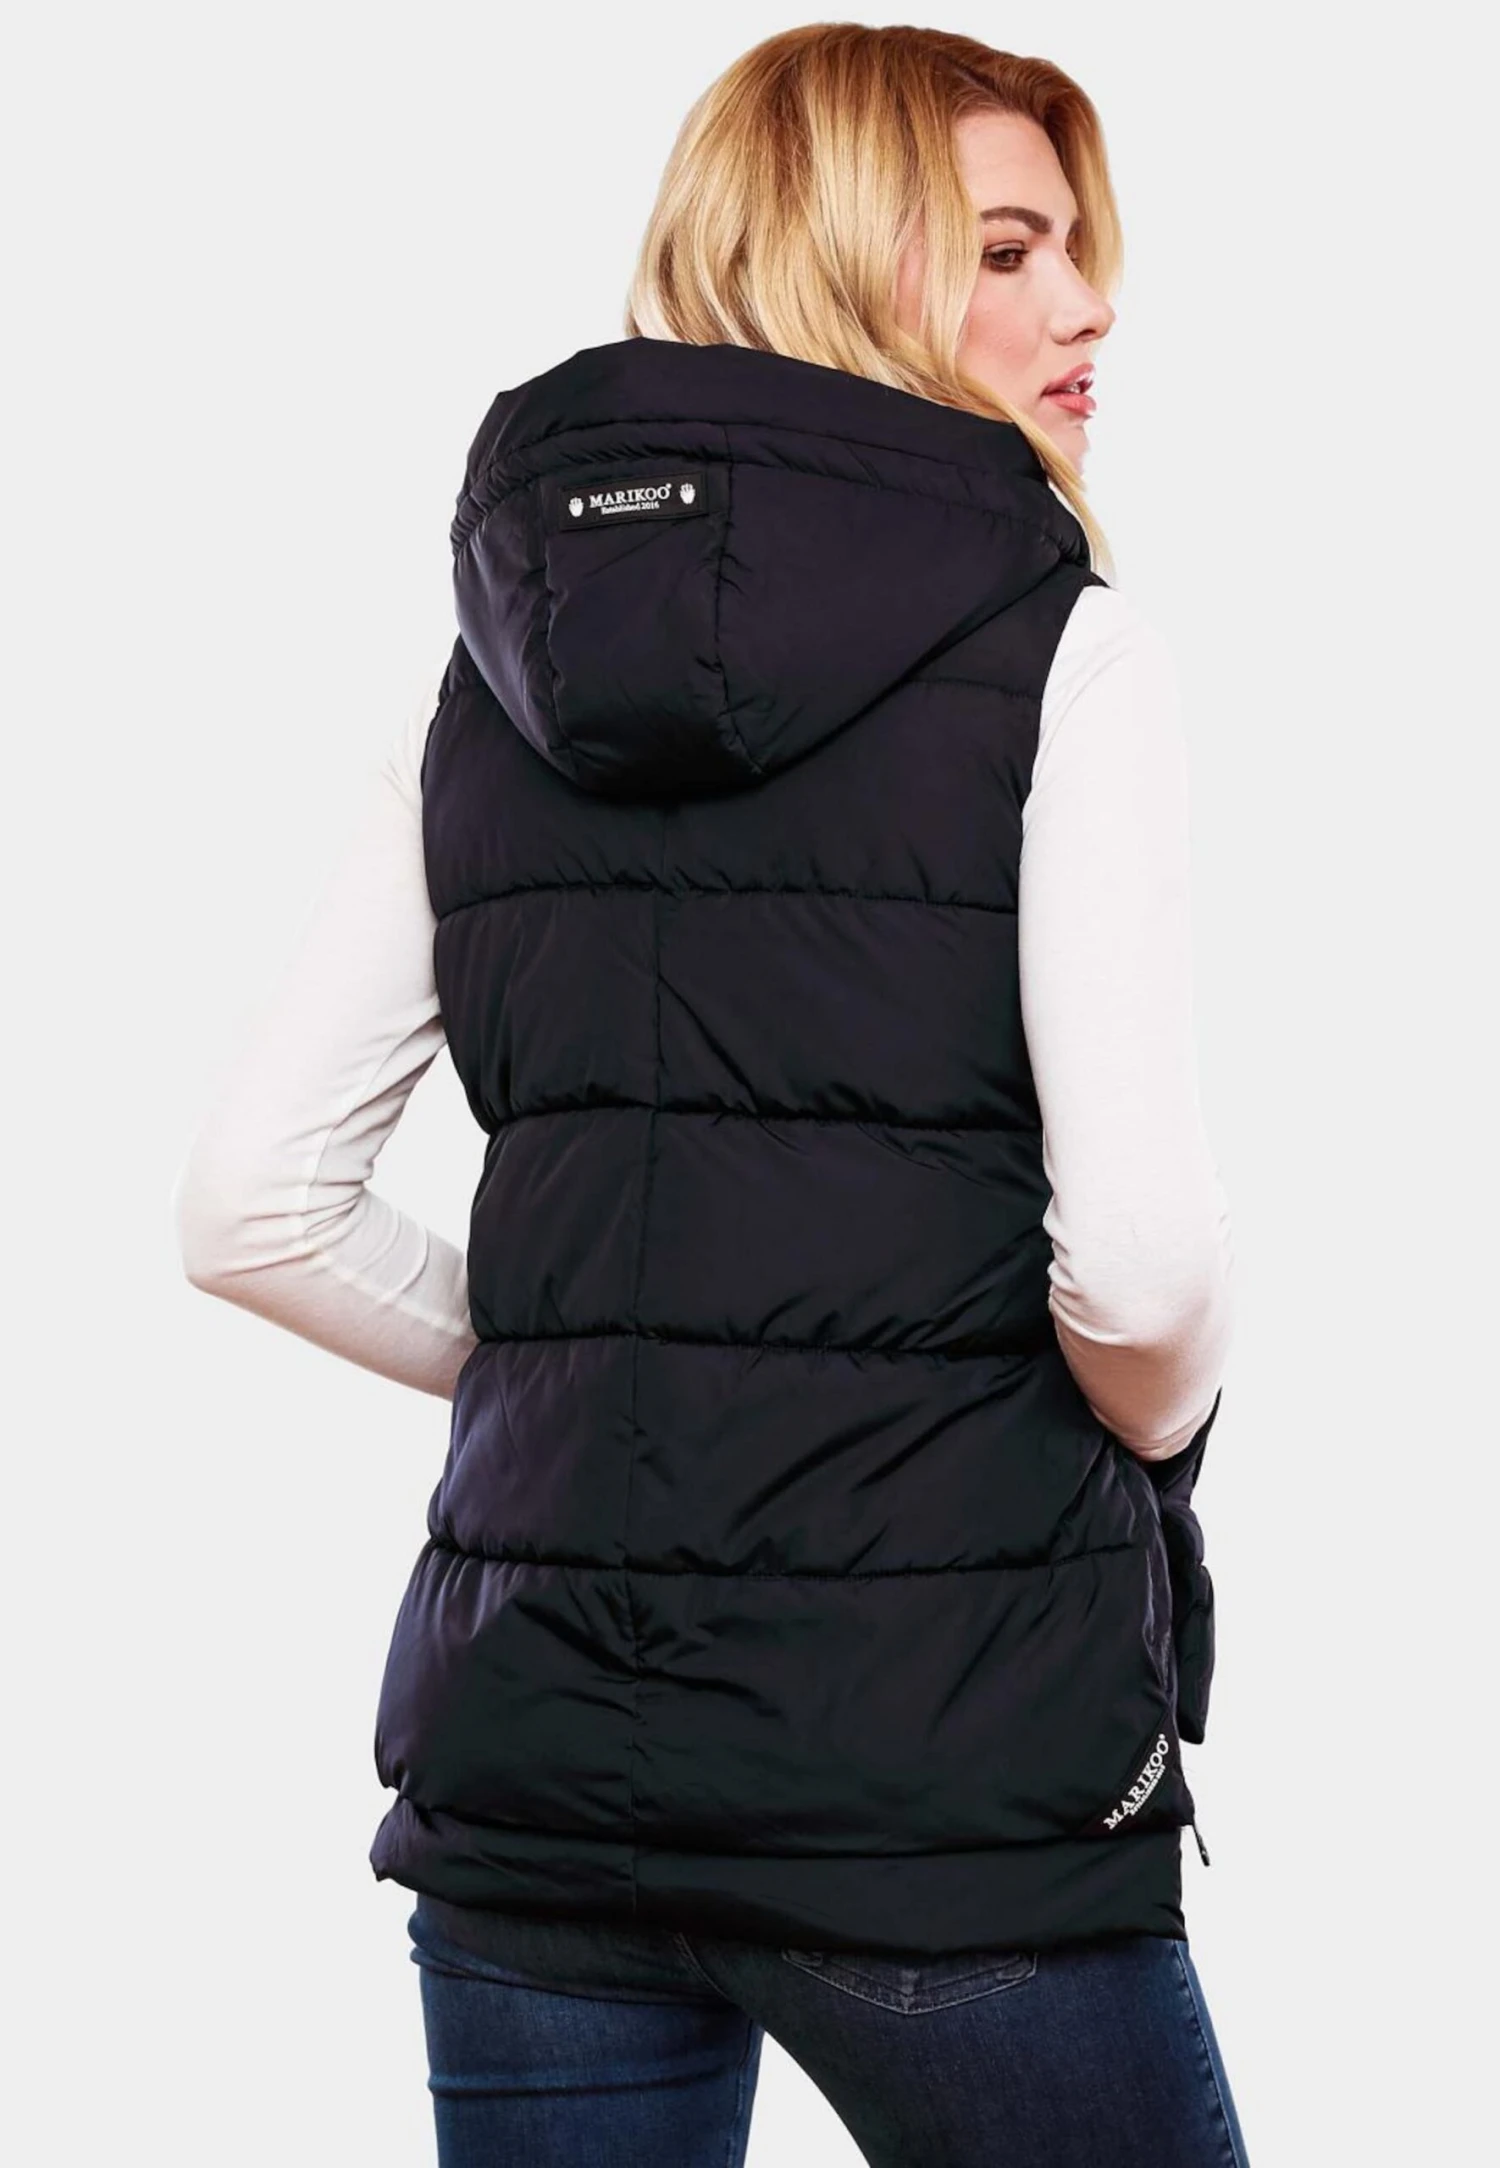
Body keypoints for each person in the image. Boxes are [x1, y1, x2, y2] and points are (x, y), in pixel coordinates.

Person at [173, 22, 1247, 2167]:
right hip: (937, 1788)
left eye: (1077, 250)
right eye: (1009, 249)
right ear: (837, 256)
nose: (1086, 306)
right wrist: (1153, 1414)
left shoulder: (497, 673)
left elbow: (252, 1205)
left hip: (536, 1784)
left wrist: (592, 1359)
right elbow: (1138, 1279)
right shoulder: (1064, 647)